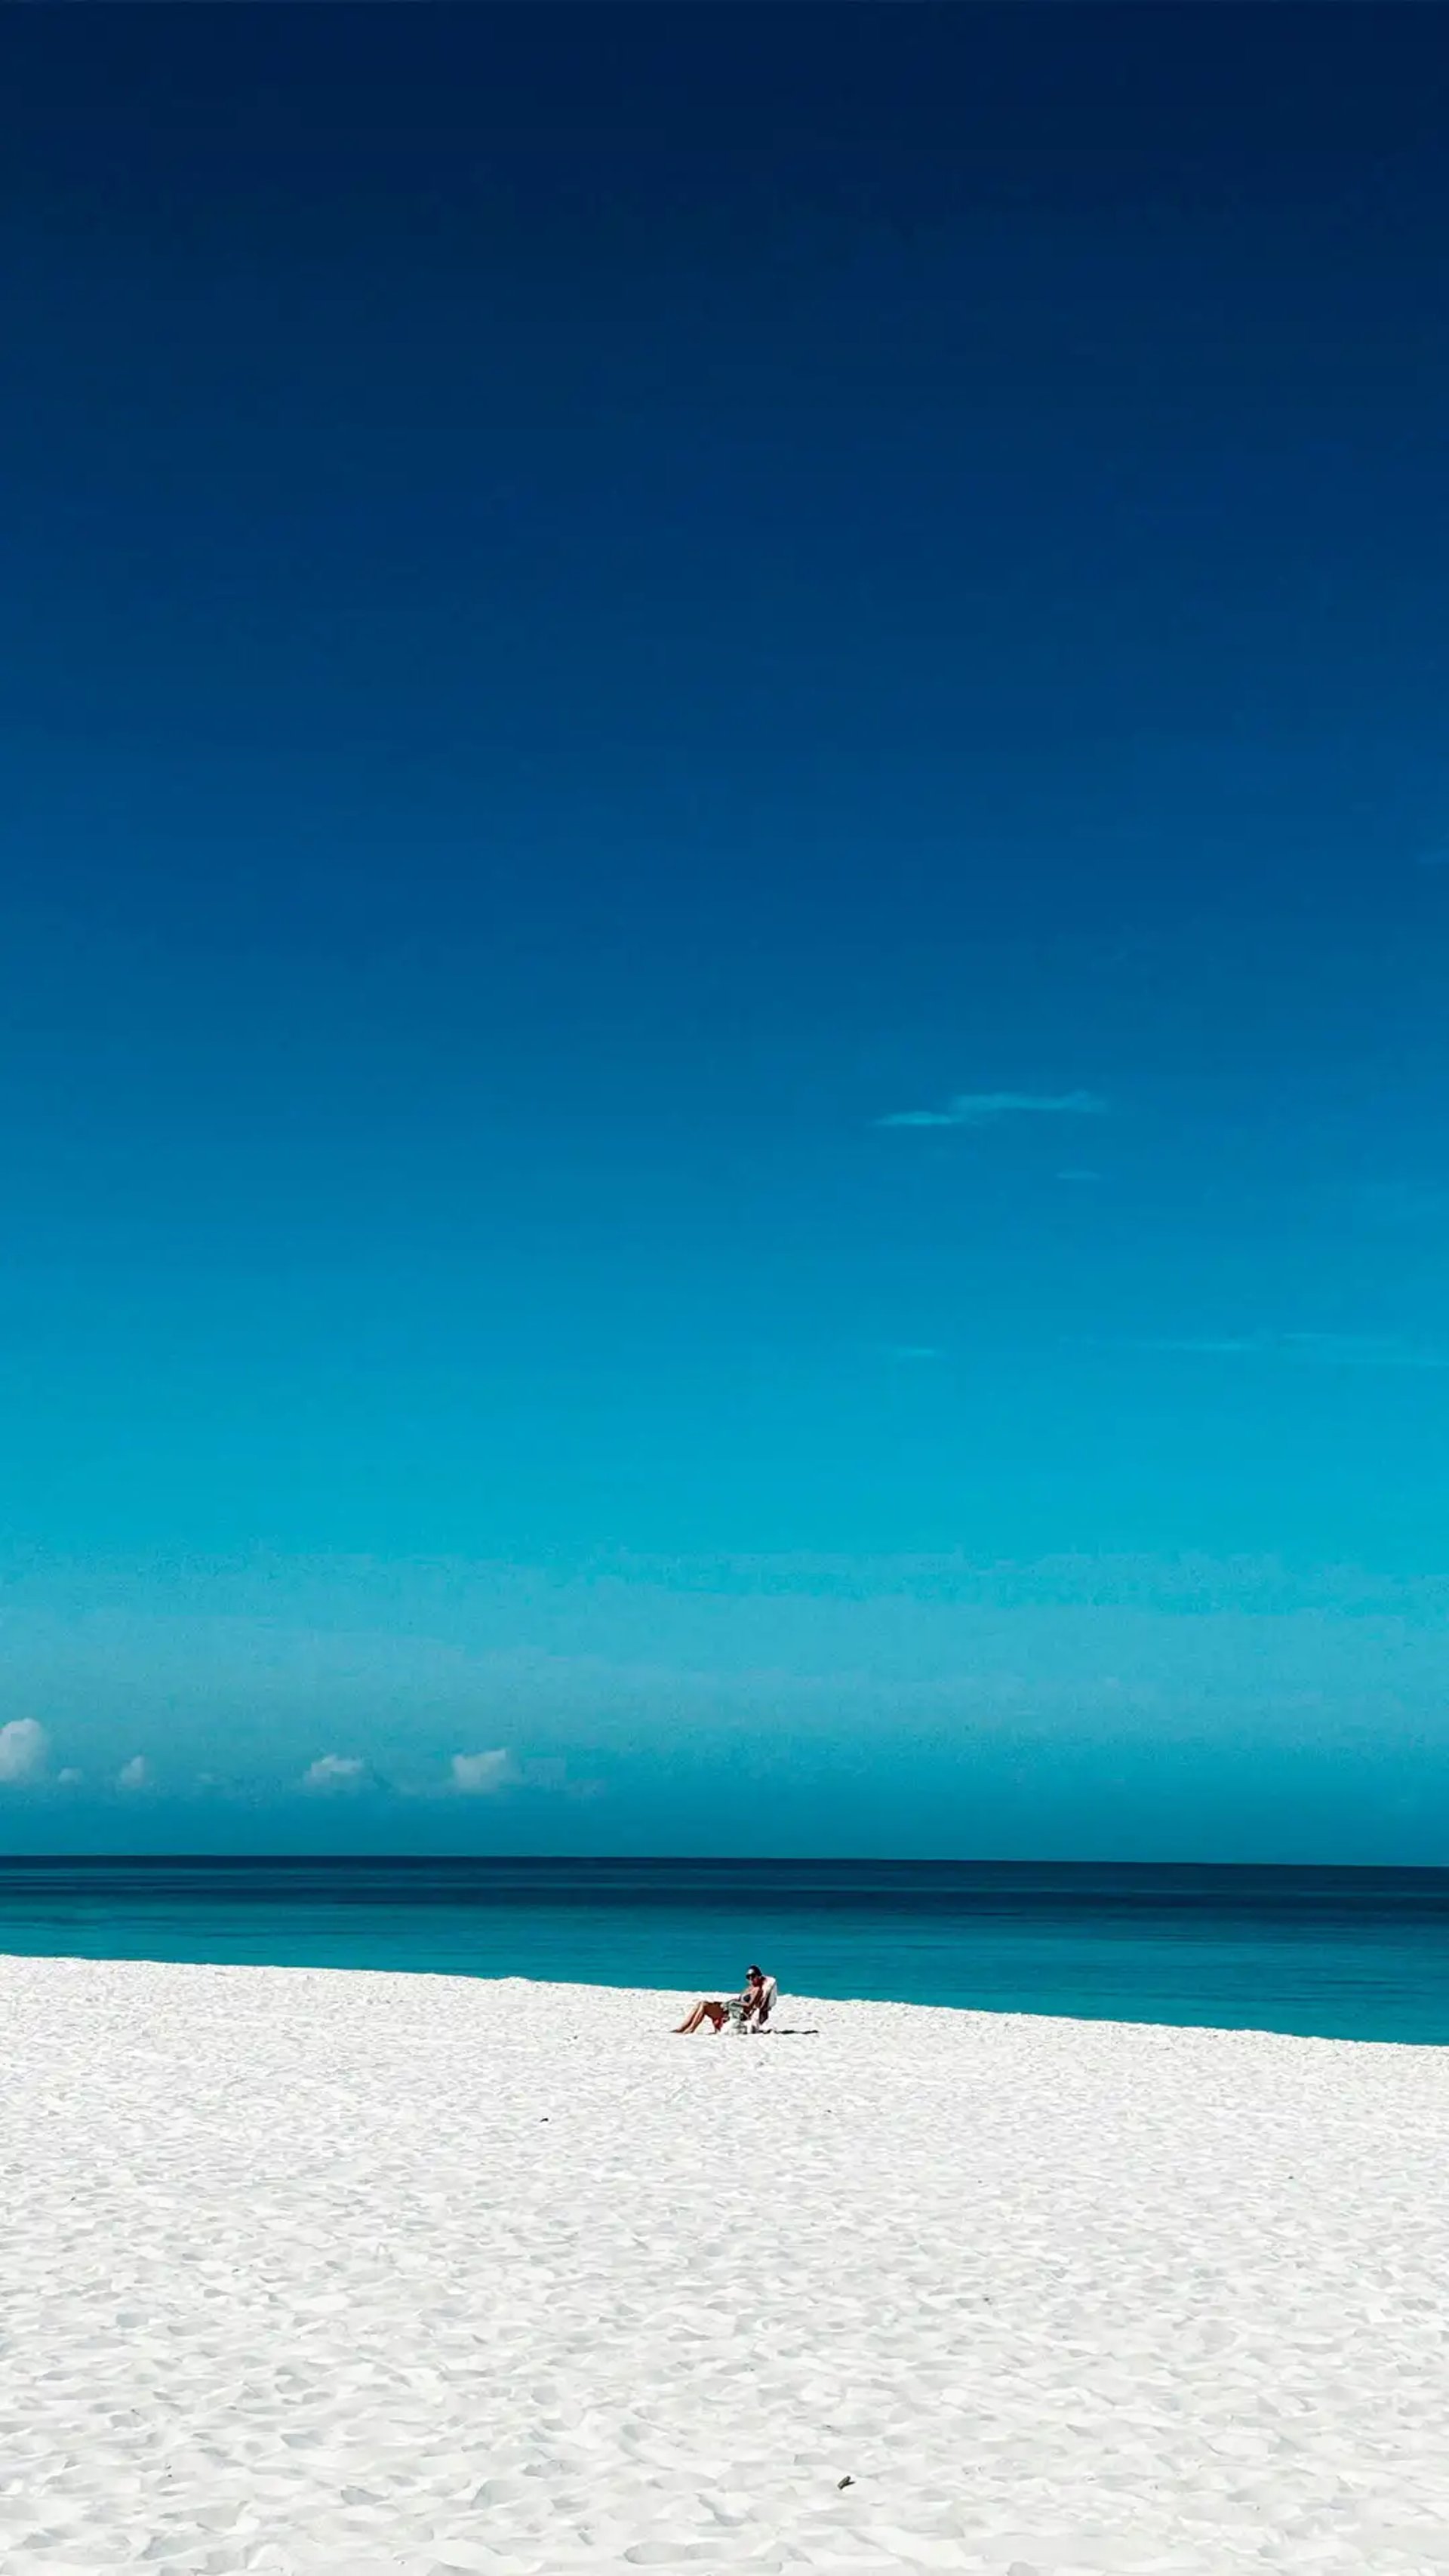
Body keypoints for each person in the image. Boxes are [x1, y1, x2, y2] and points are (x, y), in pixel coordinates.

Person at [675, 1965, 776, 2034]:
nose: (750, 1979)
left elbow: (749, 2006)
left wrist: (734, 2003)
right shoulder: (749, 1988)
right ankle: (683, 2028)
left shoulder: (757, 1990)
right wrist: (730, 2002)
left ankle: (691, 2029)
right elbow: (739, 2000)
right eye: (748, 1977)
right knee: (700, 2003)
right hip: (732, 2008)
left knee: (704, 2006)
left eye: (753, 1976)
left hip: (738, 2013)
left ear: (758, 1976)